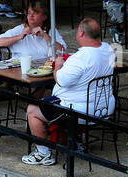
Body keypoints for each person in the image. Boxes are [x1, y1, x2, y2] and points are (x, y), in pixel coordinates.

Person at [23, 18, 116, 166]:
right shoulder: (108, 49)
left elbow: (61, 80)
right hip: (104, 108)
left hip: (78, 110)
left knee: (32, 109)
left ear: (81, 33)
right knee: (51, 103)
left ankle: (43, 153)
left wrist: (58, 66)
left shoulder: (80, 58)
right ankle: (76, 141)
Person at [0, 0, 67, 61]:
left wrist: (46, 37)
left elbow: (63, 51)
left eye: (35, 13)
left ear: (44, 17)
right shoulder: (20, 29)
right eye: (29, 13)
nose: (31, 15)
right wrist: (19, 37)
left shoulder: (51, 30)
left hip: (45, 69)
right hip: (22, 70)